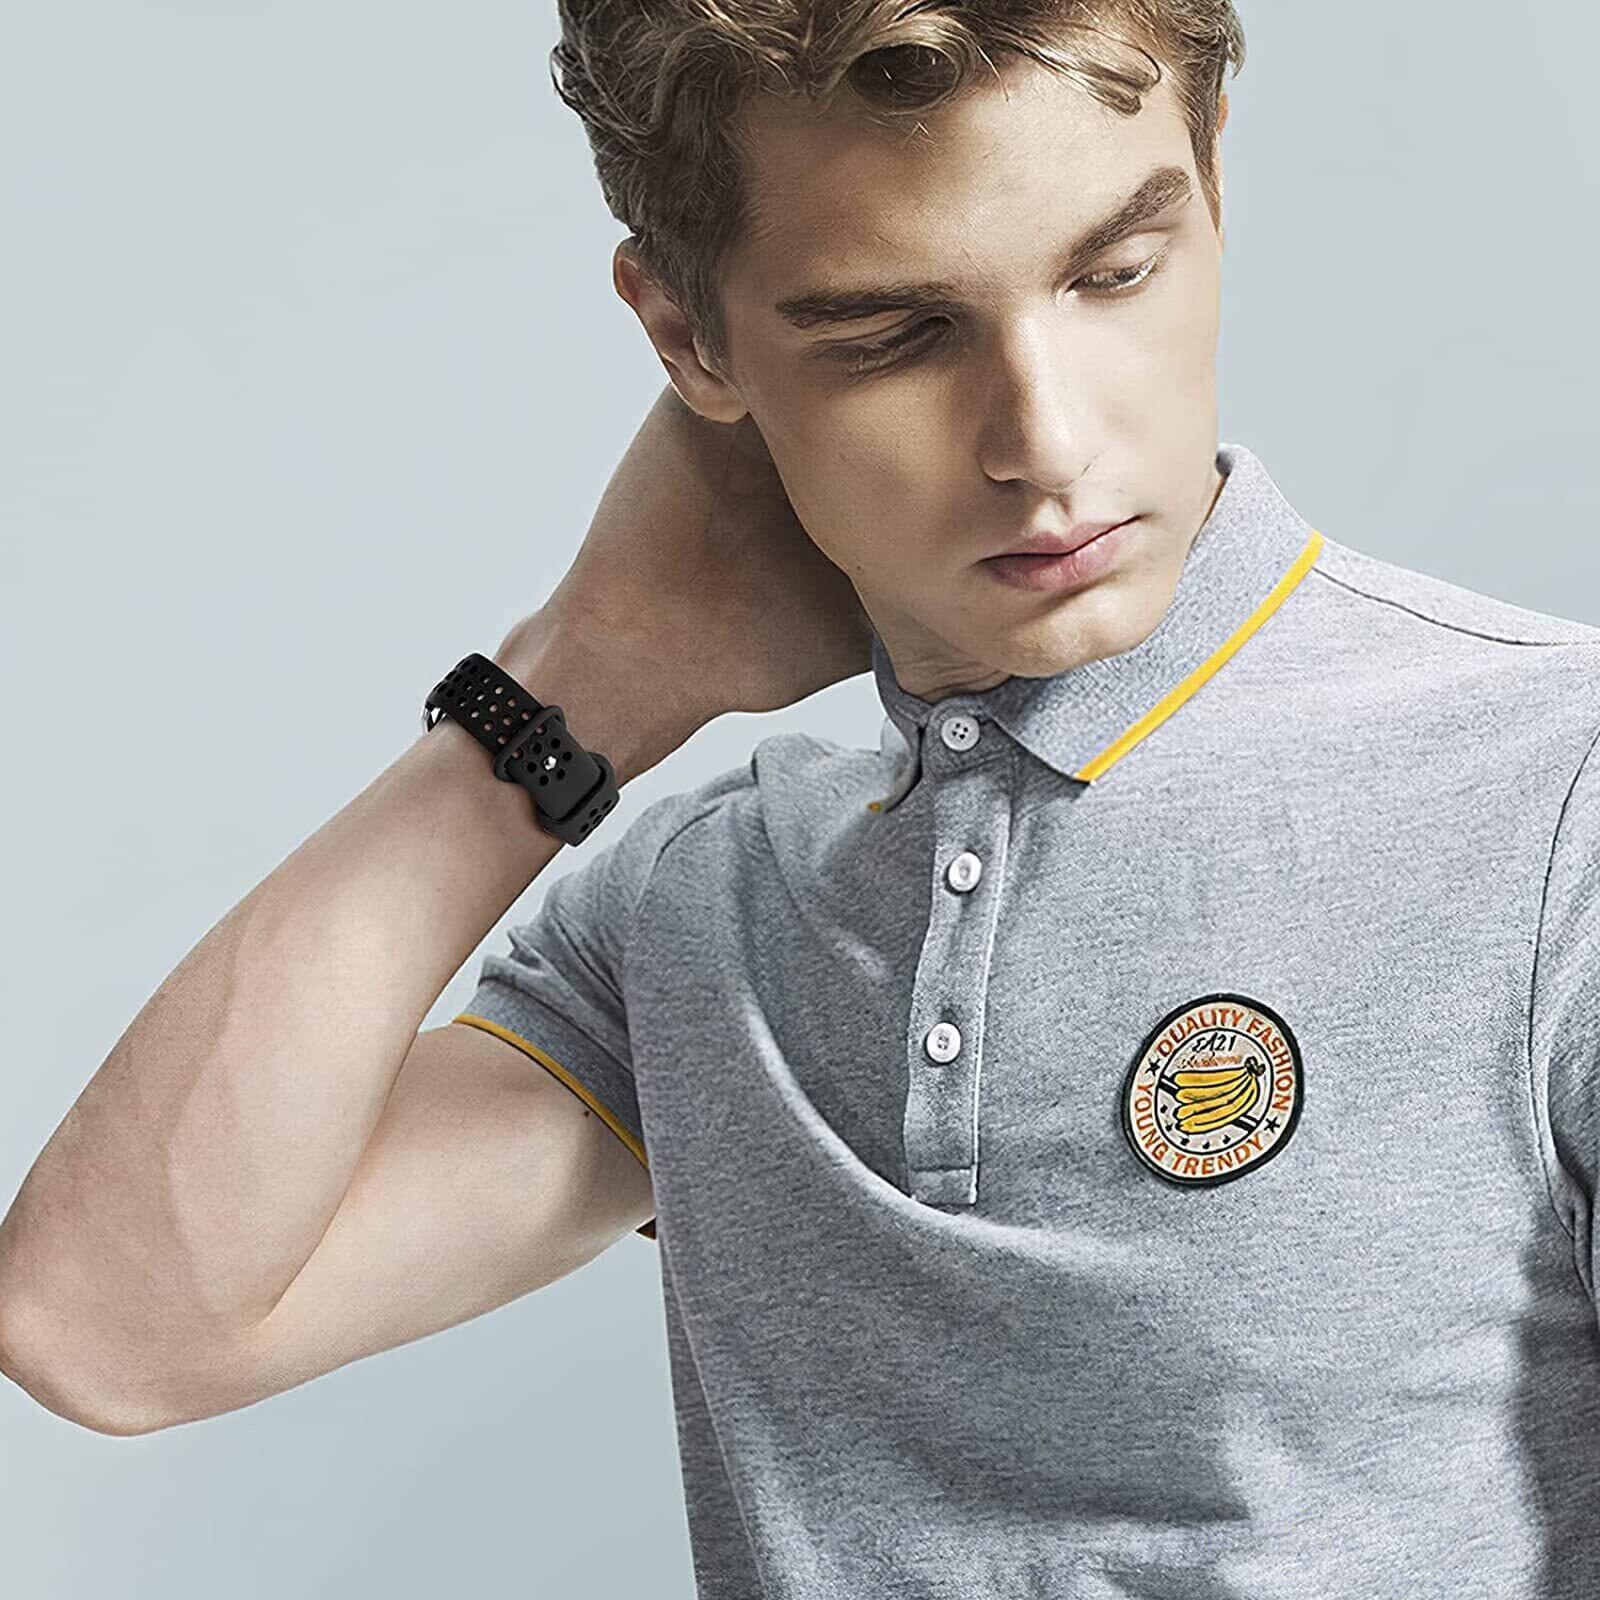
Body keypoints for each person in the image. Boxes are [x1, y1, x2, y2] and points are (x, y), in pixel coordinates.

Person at [5, 3, 1600, 1594]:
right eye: (894, 335)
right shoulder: (703, 911)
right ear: (689, 340)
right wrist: (581, 680)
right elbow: (107, 1331)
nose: (1048, 442)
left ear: (1215, 182)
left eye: (1116, 271)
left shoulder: (1557, 794)